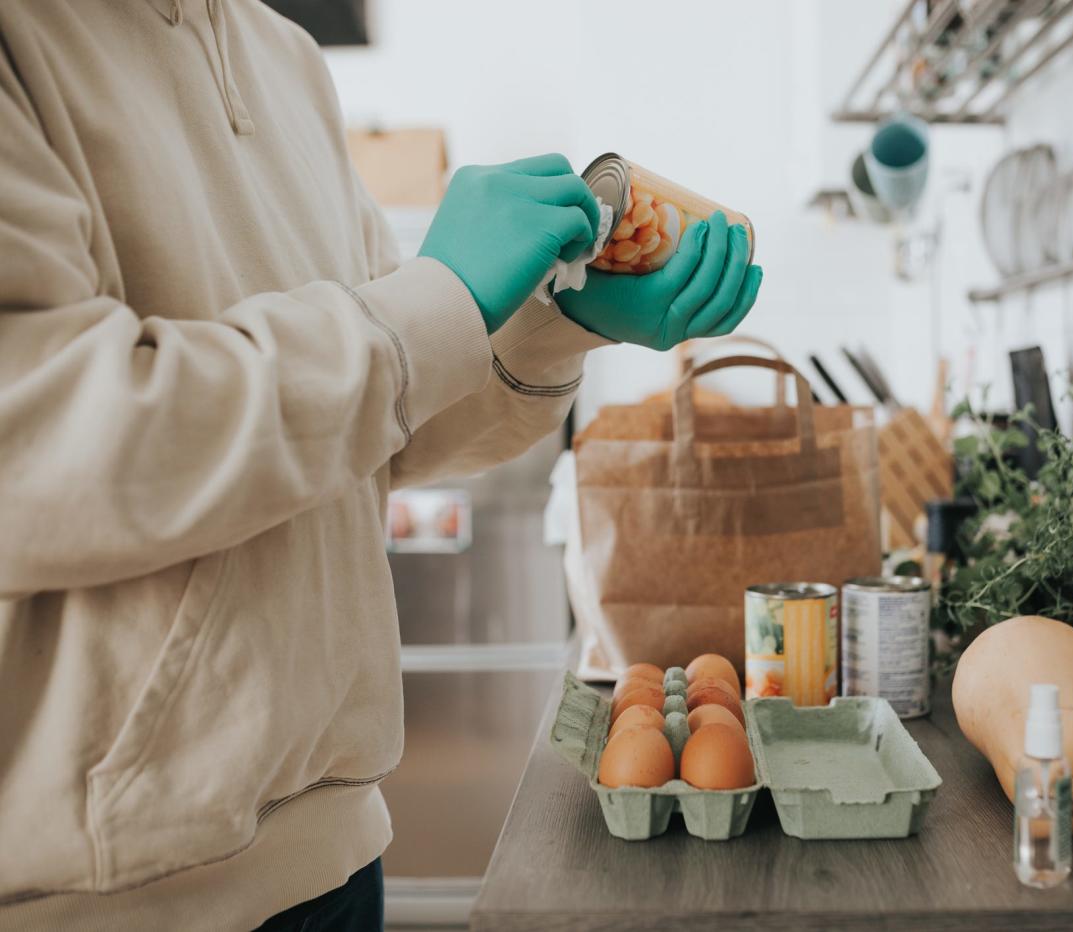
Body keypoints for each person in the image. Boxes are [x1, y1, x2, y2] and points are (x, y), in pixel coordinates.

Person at [0, 1, 761, 930]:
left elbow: (383, 421)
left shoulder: (283, 54)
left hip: (339, 852)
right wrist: (428, 306)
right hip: (117, 901)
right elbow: (41, 451)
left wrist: (557, 325)